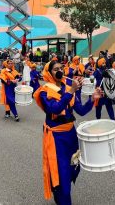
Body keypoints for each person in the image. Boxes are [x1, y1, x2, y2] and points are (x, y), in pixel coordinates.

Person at [34, 61, 101, 204]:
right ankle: (61, 194)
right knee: (62, 177)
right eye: (55, 69)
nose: (59, 71)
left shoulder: (68, 86)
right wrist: (71, 92)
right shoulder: (45, 91)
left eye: (61, 68)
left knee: (72, 169)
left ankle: (58, 192)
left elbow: (81, 111)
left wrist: (92, 99)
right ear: (49, 73)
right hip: (56, 139)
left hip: (71, 136)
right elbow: (54, 109)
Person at [93, 58, 115, 122]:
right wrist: (92, 80)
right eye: (103, 63)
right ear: (100, 64)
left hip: (106, 91)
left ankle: (113, 119)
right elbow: (92, 79)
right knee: (98, 107)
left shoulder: (107, 70)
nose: (104, 64)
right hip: (99, 91)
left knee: (109, 105)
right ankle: (98, 120)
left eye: (105, 63)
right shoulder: (97, 71)